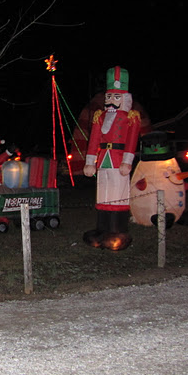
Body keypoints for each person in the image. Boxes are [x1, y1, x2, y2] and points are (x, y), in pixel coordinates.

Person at [82, 66, 141, 250]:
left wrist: (127, 161)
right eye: (108, 97)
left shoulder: (130, 117)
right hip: (103, 160)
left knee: (118, 194)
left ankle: (117, 230)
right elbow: (93, 141)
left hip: (118, 159)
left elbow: (131, 141)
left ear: (124, 99)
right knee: (103, 192)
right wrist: (90, 162)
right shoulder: (100, 117)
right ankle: (102, 229)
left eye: (116, 97)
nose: (111, 101)